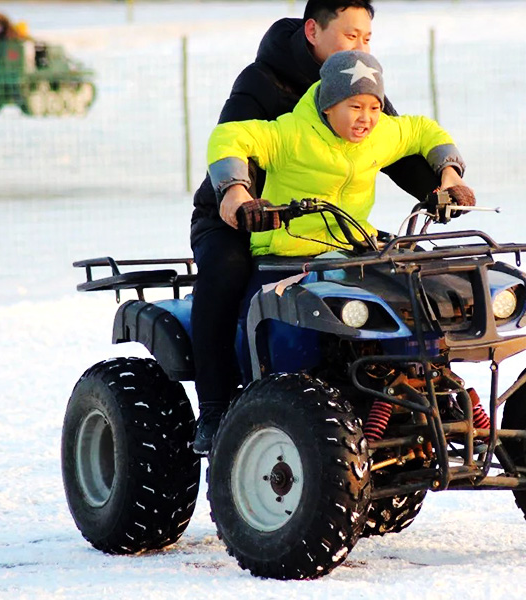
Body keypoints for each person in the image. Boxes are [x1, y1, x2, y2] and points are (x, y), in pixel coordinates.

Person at [189, 1, 452, 455]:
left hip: (328, 228)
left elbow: (396, 146)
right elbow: (233, 141)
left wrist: (441, 187)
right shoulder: (262, 81)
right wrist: (237, 193)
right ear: (313, 30)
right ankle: (215, 409)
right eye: (351, 36)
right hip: (239, 215)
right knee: (227, 272)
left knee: (395, 269)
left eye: (367, 38)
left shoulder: (357, 82)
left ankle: (403, 389)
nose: (360, 45)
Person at [207, 50, 471, 257]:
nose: (366, 118)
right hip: (288, 251)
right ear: (329, 106)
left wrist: (451, 174)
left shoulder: (381, 134)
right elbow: (228, 136)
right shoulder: (291, 134)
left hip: (353, 247)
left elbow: (423, 130)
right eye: (355, 106)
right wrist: (235, 191)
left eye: (375, 107)